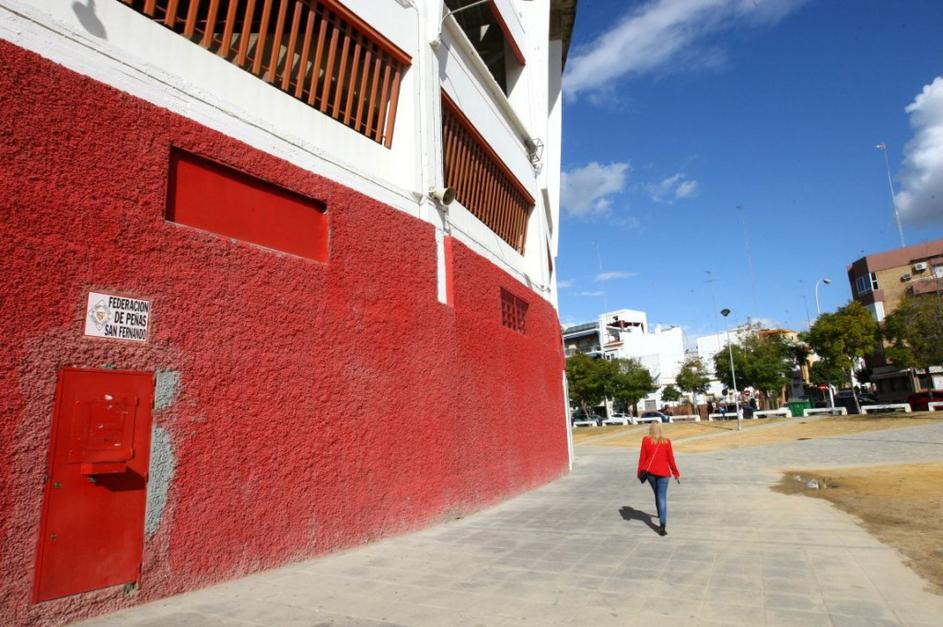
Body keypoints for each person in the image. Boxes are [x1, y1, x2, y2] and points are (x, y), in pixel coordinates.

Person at [636, 422, 680, 536]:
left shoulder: (646, 440)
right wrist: (675, 472)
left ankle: (661, 514)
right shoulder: (667, 442)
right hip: (664, 474)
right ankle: (662, 524)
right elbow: (671, 459)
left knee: (657, 494)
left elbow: (642, 458)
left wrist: (639, 471)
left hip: (650, 473)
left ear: (650, 429)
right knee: (661, 497)